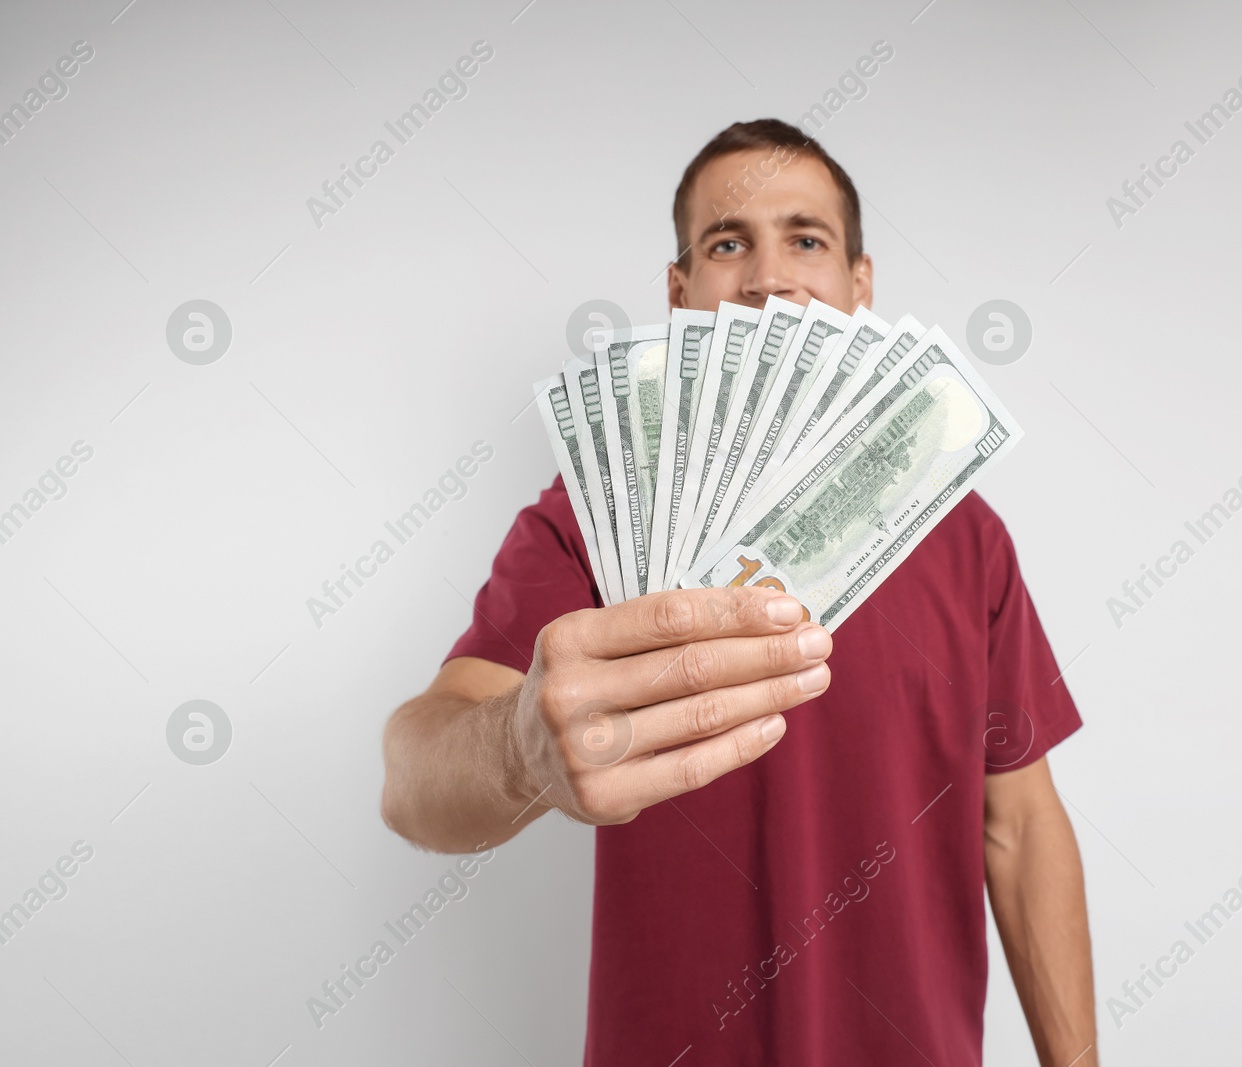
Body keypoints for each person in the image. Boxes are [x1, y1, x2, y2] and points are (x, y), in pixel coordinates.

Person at [381, 118, 1097, 1066]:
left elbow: (1020, 821)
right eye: (728, 244)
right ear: (680, 295)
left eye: (806, 238)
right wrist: (518, 750)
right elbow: (412, 777)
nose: (768, 276)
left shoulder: (966, 536)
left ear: (859, 286)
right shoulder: (595, 516)